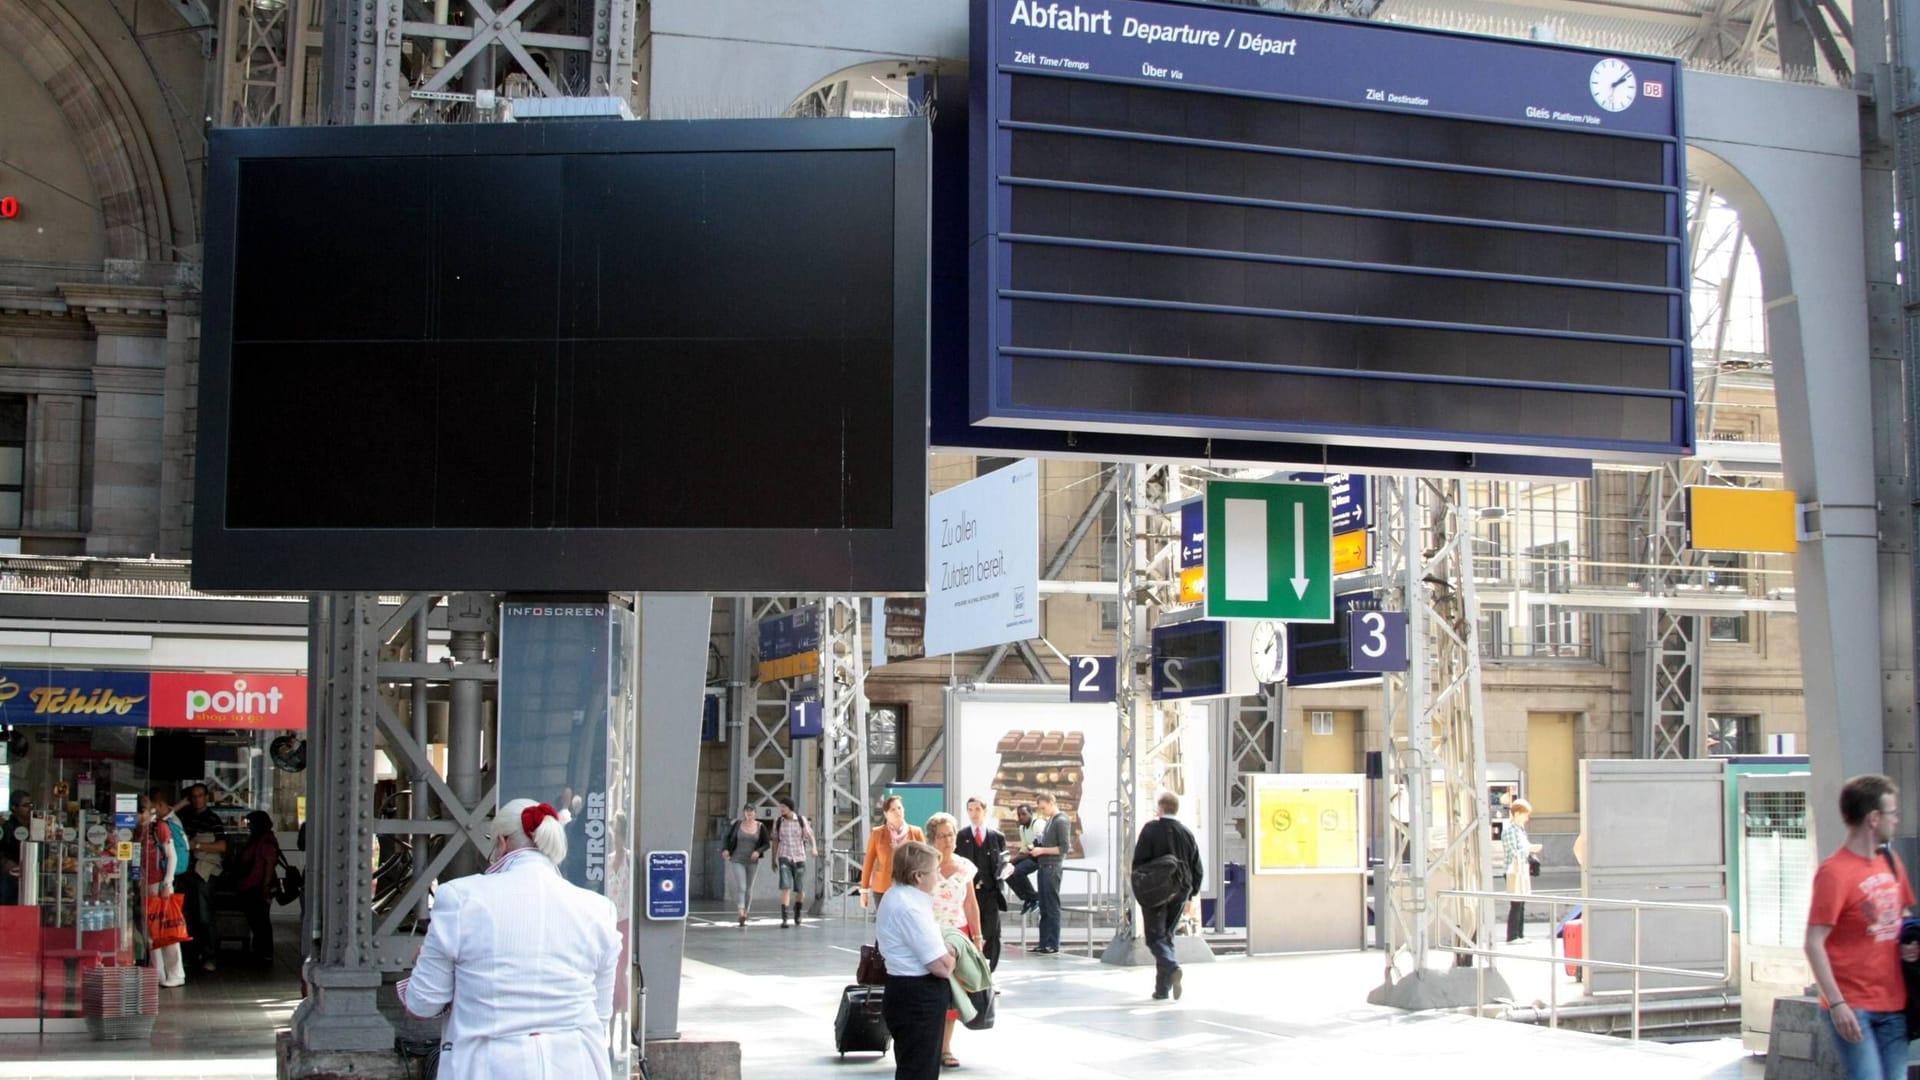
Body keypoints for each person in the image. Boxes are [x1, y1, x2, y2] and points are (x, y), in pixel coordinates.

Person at [401, 798, 623, 1080]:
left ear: (502, 842)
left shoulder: (460, 898)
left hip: (488, 1066)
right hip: (576, 1065)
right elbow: (600, 1014)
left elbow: (422, 1002)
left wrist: (425, 967)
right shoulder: (599, 909)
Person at [1805, 774, 1920, 1080]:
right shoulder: (1835, 873)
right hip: (1853, 1006)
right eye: (1892, 813)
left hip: (1894, 1004)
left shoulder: (1891, 862)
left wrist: (1911, 941)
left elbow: (1904, 913)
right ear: (1873, 818)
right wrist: (1836, 1003)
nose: (1896, 820)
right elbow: (1814, 942)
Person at [875, 840, 957, 1080]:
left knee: (913, 1065)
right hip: (918, 996)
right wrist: (953, 951)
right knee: (919, 1070)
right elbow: (941, 966)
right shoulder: (910, 908)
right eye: (934, 871)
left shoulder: (896, 895)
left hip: (903, 990)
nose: (939, 877)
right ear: (919, 876)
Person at [924, 813, 984, 1068]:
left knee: (954, 992)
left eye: (951, 835)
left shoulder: (965, 866)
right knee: (930, 991)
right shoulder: (925, 866)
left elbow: (971, 903)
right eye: (942, 836)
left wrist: (978, 937)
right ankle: (928, 1043)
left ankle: (946, 1047)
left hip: (958, 935)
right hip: (929, 932)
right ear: (932, 839)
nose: (948, 841)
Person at [1132, 791, 1204, 1001]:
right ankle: (1162, 989)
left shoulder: (1151, 830)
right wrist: (1192, 894)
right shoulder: (1186, 833)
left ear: (1160, 809)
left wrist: (1139, 882)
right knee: (1167, 937)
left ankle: (1171, 968)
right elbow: (1197, 867)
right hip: (1180, 890)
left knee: (1155, 937)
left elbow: (1139, 860)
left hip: (1155, 891)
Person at [175, 783, 228, 972]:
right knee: (187, 916)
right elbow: (167, 816)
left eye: (200, 796)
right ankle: (190, 955)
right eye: (193, 796)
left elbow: (222, 846)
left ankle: (210, 956)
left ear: (206, 797)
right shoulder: (185, 817)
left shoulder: (212, 819)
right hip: (185, 873)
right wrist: (182, 804)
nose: (197, 800)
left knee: (204, 916)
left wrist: (197, 846)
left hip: (203, 873)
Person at [954, 796, 1007, 970]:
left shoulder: (996, 836)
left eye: (977, 809)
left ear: (984, 811)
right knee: (971, 930)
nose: (973, 813)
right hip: (970, 891)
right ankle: (972, 969)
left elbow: (1003, 859)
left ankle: (990, 970)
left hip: (990, 890)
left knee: (992, 932)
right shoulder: (961, 836)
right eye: (970, 809)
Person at [142, 790, 186, 987]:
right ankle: (157, 972)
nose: (138, 814)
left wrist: (167, 883)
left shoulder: (160, 828)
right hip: (145, 883)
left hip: (159, 883)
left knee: (166, 928)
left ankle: (176, 973)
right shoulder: (139, 831)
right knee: (151, 930)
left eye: (142, 809)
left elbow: (172, 856)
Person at [229, 810, 282, 966]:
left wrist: (265, 887)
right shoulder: (258, 838)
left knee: (261, 922)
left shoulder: (265, 840)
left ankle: (264, 953)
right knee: (258, 921)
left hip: (258, 886)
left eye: (251, 822)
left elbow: (269, 864)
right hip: (252, 885)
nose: (249, 825)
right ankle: (260, 951)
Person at [860, 794, 925, 912]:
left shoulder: (916, 832)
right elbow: (868, 863)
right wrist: (864, 891)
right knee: (886, 925)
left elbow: (925, 862)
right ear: (886, 814)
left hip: (910, 887)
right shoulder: (877, 833)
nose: (897, 812)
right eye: (893, 809)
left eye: (899, 808)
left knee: (906, 923)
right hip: (883, 888)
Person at [1029, 792, 1073, 954]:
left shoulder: (1061, 820)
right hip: (1044, 866)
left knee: (1052, 905)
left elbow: (1064, 848)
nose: (1042, 811)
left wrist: (1042, 850)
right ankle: (1043, 942)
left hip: (1052, 867)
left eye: (1043, 807)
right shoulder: (1050, 821)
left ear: (1051, 803)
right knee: (1045, 906)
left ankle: (1052, 943)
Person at [1502, 797, 1543, 943]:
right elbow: (1514, 850)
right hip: (1513, 869)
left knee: (1521, 902)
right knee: (1516, 903)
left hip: (1521, 869)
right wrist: (1530, 848)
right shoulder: (1509, 829)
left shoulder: (1519, 829)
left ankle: (1520, 934)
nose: (1527, 818)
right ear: (1518, 813)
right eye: (1526, 814)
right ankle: (1512, 935)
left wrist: (1530, 850)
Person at [720, 804, 768, 927]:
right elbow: (727, 837)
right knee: (741, 886)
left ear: (755, 814)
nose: (749, 814)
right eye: (747, 812)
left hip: (752, 861)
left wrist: (758, 851)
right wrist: (725, 849)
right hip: (737, 859)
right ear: (744, 813)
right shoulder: (737, 825)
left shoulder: (760, 826)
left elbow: (766, 844)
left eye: (751, 812)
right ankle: (740, 912)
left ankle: (746, 912)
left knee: (748, 888)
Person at [772, 797, 817, 928]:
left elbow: (810, 836)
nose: (781, 809)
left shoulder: (801, 820)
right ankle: (784, 918)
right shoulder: (778, 822)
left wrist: (813, 848)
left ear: (790, 808)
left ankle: (797, 911)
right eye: (780, 807)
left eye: (784, 807)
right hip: (784, 857)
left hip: (799, 858)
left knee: (800, 889)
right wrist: (773, 859)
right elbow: (775, 841)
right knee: (786, 887)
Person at [1004, 804, 1040, 914]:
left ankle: (1034, 898)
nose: (1021, 817)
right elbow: (1024, 848)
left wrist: (1017, 859)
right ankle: (1027, 898)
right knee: (1006, 871)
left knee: (1018, 870)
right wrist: (1012, 860)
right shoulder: (1022, 828)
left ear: (1031, 814)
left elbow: (1037, 845)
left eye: (1024, 814)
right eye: (1019, 815)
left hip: (1040, 856)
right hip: (1030, 855)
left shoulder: (1037, 824)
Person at [0, 792, 31, 906]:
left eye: (31, 805)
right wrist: (5, 862)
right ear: (14, 807)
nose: (30, 809)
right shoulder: (6, 828)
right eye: (25, 805)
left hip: (28, 876)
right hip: (9, 878)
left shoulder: (32, 827)